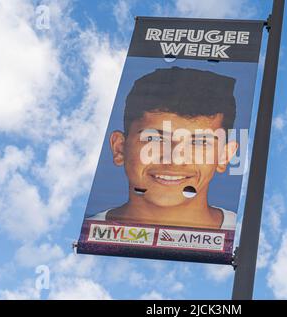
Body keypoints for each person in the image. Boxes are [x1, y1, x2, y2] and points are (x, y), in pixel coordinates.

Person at [88, 66, 239, 230]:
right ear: (119, 148)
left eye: (199, 142)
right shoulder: (89, 232)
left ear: (224, 155)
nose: (175, 159)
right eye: (155, 138)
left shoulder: (242, 236)